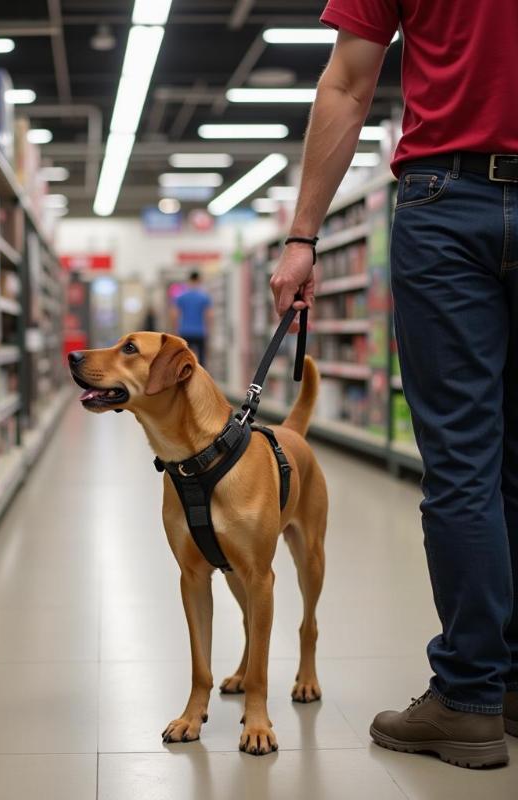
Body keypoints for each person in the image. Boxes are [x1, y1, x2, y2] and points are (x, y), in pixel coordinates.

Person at [269, 0, 518, 769]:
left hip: (448, 202)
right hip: (445, 202)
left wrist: (305, 235)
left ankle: (473, 695)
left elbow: (348, 83)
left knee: (464, 463)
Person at [173, 271, 213, 364]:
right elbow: (209, 315)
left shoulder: (181, 297)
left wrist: (176, 329)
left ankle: (186, 376)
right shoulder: (204, 297)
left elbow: (175, 315)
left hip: (185, 331)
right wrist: (208, 330)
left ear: (189, 280)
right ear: (199, 280)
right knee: (201, 358)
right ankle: (201, 376)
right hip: (200, 332)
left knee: (185, 357)